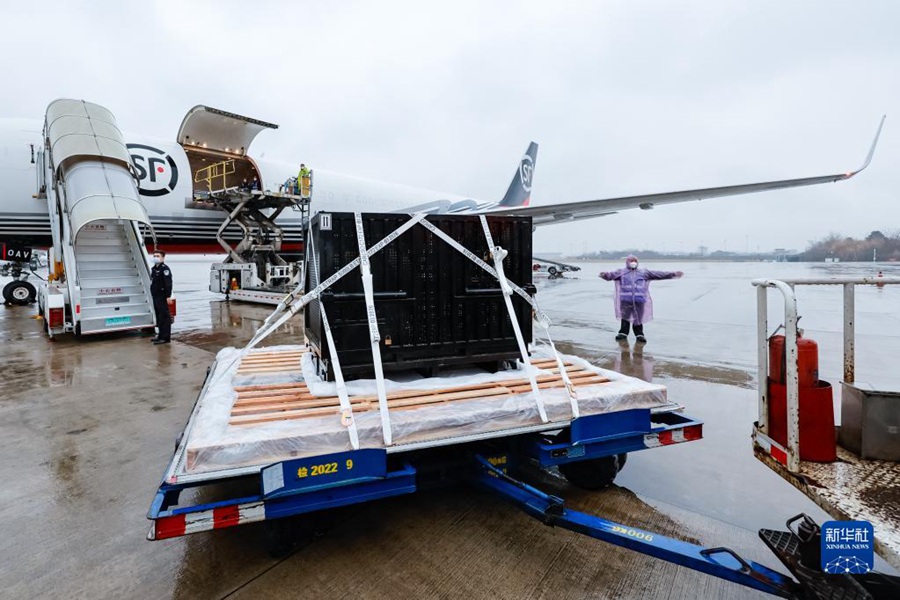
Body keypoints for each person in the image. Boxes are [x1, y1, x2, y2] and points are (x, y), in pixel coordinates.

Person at [599, 255, 683, 344]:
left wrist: (673, 274)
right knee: (625, 317)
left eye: (635, 261)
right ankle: (623, 333)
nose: (633, 263)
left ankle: (639, 334)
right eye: (631, 261)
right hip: (625, 300)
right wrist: (604, 275)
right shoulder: (621, 272)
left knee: (638, 318)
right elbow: (610, 275)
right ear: (627, 262)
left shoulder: (643, 273)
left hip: (639, 300)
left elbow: (659, 274)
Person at [150, 250, 173, 345]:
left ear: (163, 258)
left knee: (164, 317)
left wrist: (168, 296)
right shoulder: (154, 269)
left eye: (158, 256)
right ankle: (160, 335)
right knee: (159, 317)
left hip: (162, 296)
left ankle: (165, 337)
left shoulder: (165, 269)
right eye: (154, 256)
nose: (155, 257)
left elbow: (168, 283)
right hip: (155, 296)